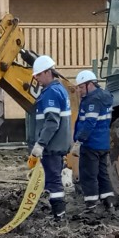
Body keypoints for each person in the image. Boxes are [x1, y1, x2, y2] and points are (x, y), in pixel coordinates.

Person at [26, 54, 72, 222]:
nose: (36, 78)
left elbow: (52, 123)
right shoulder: (58, 90)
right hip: (56, 145)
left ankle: (59, 216)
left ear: (47, 72)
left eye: (38, 75)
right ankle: (56, 214)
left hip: (51, 147)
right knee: (52, 179)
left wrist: (40, 144)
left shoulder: (51, 93)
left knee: (53, 181)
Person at [71, 68, 115, 218]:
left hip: (91, 144)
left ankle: (91, 207)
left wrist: (79, 141)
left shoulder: (92, 100)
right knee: (103, 174)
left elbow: (89, 123)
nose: (79, 91)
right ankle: (109, 203)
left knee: (89, 175)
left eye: (81, 87)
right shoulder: (106, 96)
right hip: (103, 143)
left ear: (90, 84)